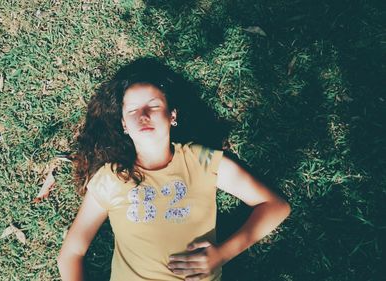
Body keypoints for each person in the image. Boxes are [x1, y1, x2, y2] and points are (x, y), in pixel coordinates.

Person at [57, 57, 291, 281]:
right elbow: (70, 254)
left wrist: (222, 254)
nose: (143, 115)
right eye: (132, 111)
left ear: (172, 115)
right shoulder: (111, 178)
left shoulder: (201, 161)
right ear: (124, 125)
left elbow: (275, 206)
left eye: (154, 105)